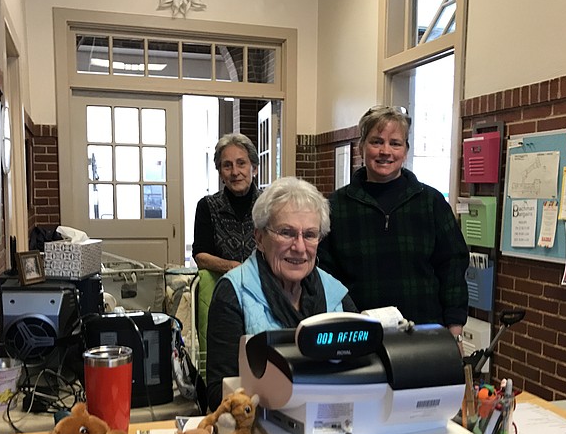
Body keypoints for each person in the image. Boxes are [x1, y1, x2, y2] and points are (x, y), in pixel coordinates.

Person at [205, 176, 358, 412]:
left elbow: (363, 368)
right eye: (286, 233)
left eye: (309, 235)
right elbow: (217, 392)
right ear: (259, 238)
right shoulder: (233, 292)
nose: (299, 247)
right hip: (263, 432)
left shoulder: (334, 292)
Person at [318, 105, 469, 342]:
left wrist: (454, 330)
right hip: (357, 336)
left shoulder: (431, 203)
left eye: (395, 143)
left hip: (424, 334)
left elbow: (453, 267)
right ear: (361, 147)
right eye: (376, 142)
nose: (385, 151)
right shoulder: (336, 206)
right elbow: (324, 276)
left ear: (405, 151)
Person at [192, 133, 261, 274]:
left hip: (264, 288)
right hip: (224, 286)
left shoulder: (271, 204)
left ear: (254, 168)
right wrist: (235, 268)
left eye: (241, 163)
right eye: (227, 166)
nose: (235, 172)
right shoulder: (207, 206)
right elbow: (201, 256)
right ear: (220, 173)